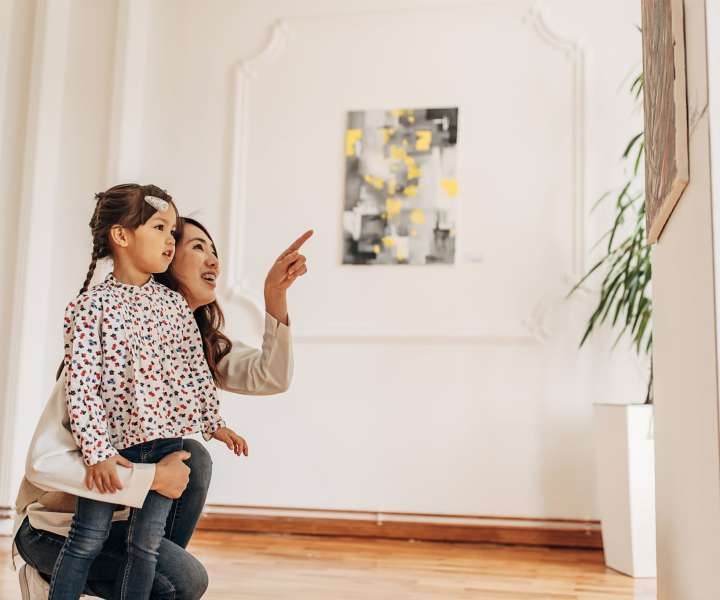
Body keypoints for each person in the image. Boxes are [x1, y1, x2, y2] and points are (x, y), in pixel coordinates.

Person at [13, 204, 311, 598]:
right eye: (198, 247)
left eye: (215, 251)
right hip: (53, 529)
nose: (214, 262)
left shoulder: (192, 346)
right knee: (181, 581)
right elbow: (44, 464)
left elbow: (270, 376)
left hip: (126, 517)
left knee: (192, 458)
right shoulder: (108, 344)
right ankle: (52, 573)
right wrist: (151, 478)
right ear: (166, 259)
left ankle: (145, 570)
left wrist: (274, 295)